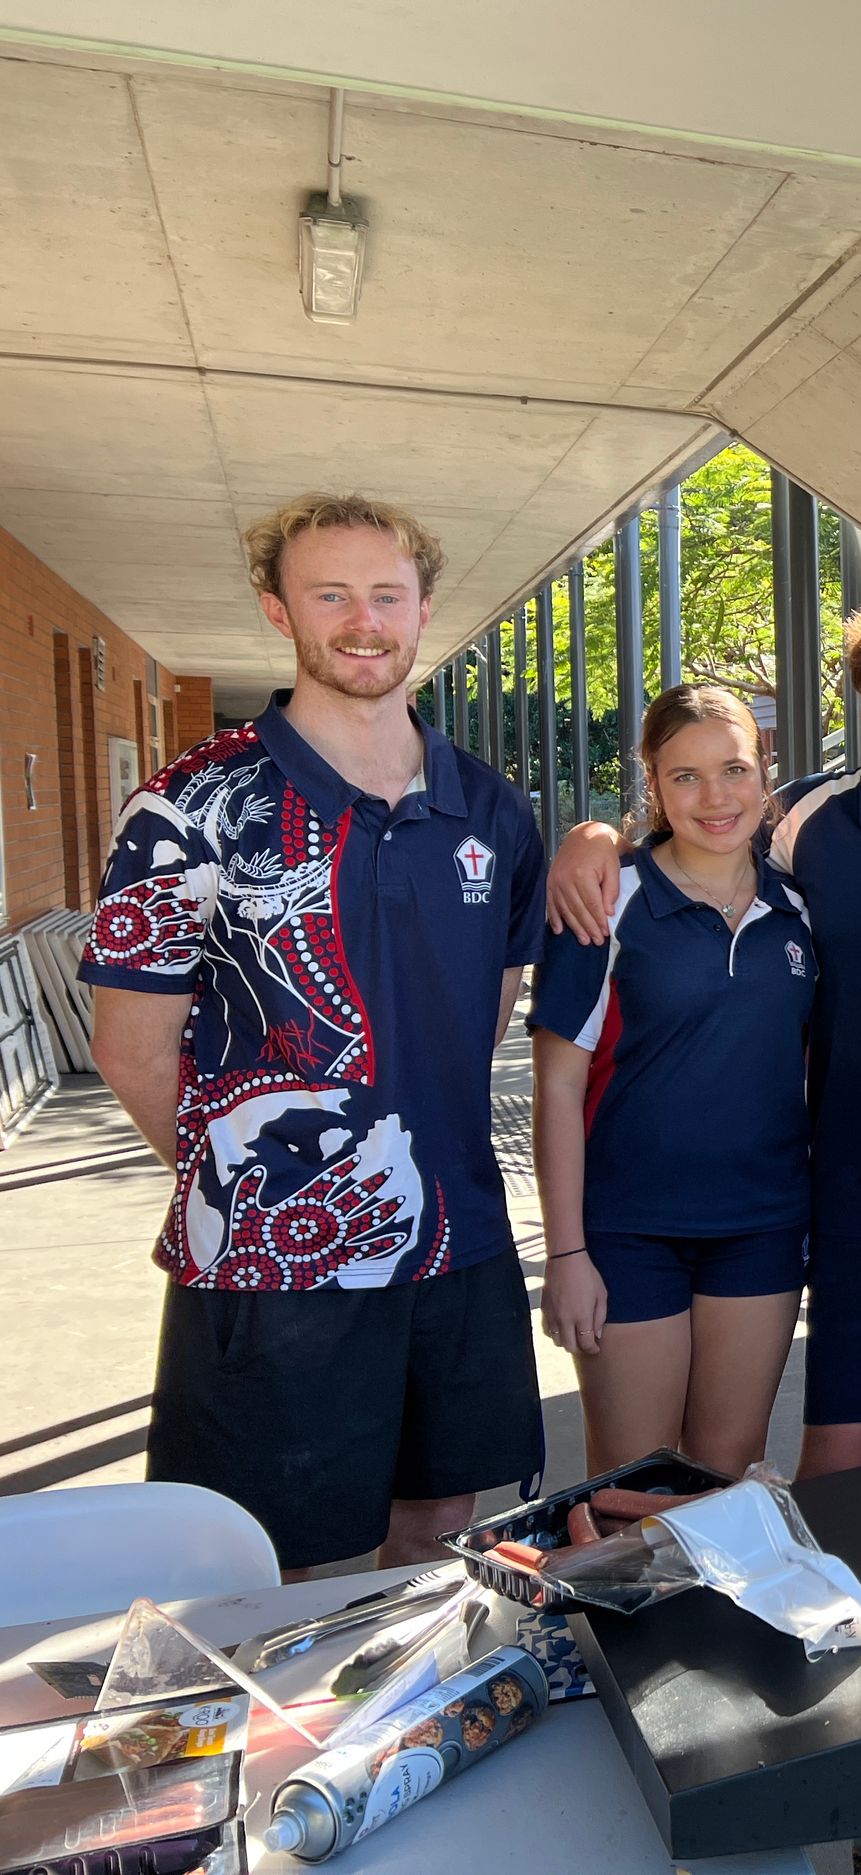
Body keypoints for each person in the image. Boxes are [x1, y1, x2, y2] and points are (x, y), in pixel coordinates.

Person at [81, 493, 546, 1576]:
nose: (363, 621)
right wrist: (253, 1179)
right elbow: (130, 1049)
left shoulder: (491, 809)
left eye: (386, 594)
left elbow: (487, 1010)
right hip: (268, 1261)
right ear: (277, 610)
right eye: (329, 594)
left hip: (456, 1237)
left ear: (423, 608)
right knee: (271, 1561)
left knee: (439, 1529)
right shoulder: (188, 808)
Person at [547, 583, 861, 1478]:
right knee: (835, 1471)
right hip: (858, 1203)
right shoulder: (804, 823)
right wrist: (590, 839)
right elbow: (697, 838)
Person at [529, 686, 810, 1480]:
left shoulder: (799, 906)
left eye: (734, 770)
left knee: (725, 1472)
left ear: (765, 772)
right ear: (652, 781)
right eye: (686, 776)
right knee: (633, 1483)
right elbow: (557, 1088)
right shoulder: (606, 900)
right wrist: (566, 1252)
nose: (715, 797)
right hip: (628, 1233)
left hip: (760, 1229)